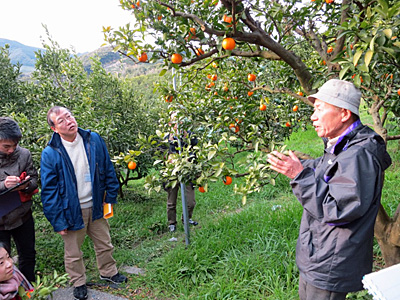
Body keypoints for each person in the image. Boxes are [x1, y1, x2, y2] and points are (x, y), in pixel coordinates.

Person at [267, 79, 392, 300]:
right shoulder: (341, 144)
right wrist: (300, 167)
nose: (313, 117)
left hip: (331, 260)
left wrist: (299, 175)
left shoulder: (359, 155)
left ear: (344, 114)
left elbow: (338, 209)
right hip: (319, 252)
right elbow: (328, 170)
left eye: (319, 109)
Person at [40, 106, 127, 300]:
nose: (68, 121)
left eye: (69, 116)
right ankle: (78, 282)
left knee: (104, 242)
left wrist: (110, 197)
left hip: (96, 203)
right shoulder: (51, 153)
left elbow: (107, 168)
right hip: (71, 209)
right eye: (61, 120)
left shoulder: (92, 139)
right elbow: (49, 191)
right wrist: (58, 221)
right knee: (73, 251)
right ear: (54, 128)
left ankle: (109, 272)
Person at [0, 117, 38, 283]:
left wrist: (26, 186)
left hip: (22, 215)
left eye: (14, 145)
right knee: (1, 262)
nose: (11, 150)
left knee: (28, 254)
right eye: (6, 146)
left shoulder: (24, 155)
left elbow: (35, 179)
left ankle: (28, 288)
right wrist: (3, 185)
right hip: (0, 221)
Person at [164, 113, 198, 233]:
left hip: (186, 172)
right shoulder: (166, 139)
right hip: (172, 174)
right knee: (171, 202)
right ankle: (172, 223)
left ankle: (186, 219)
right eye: (175, 122)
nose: (178, 124)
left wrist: (189, 159)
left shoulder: (189, 136)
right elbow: (161, 156)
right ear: (170, 124)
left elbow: (195, 152)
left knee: (190, 202)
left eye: (180, 121)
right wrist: (169, 159)